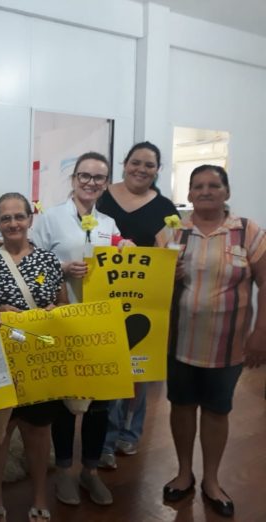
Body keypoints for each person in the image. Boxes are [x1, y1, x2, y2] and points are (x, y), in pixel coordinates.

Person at [156, 165, 266, 518]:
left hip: (228, 344)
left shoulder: (247, 231)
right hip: (178, 342)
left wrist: (261, 332)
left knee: (218, 410)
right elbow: (148, 288)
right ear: (188, 194)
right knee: (181, 406)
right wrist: (166, 276)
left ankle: (213, 480)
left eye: (213, 185)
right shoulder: (170, 232)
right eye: (198, 186)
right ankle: (184, 473)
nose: (205, 191)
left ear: (226, 192)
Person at [31, 151, 127, 507]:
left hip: (101, 326)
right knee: (63, 403)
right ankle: (63, 471)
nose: (90, 182)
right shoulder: (50, 219)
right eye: (84, 176)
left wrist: (126, 248)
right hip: (63, 321)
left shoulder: (109, 224)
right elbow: (32, 265)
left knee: (100, 403)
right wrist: (62, 268)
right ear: (73, 179)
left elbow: (121, 267)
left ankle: (90, 470)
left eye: (98, 178)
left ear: (105, 184)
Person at [0, 193, 67, 522]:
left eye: (19, 216)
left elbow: (63, 304)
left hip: (39, 357)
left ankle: (40, 495)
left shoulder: (48, 260)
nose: (13, 223)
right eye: (6, 218)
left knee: (38, 429)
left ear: (30, 219)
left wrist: (53, 311)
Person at [96, 141, 179, 469]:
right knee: (108, 371)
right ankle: (104, 439)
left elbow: (170, 250)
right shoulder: (102, 196)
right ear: (124, 163)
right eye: (136, 162)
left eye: (149, 165)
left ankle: (130, 432)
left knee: (139, 371)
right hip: (105, 295)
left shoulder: (166, 208)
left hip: (145, 300)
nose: (141, 169)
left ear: (158, 170)